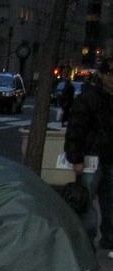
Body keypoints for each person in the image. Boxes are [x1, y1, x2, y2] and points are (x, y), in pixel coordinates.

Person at [64, 56, 113, 252]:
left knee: (109, 203)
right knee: (86, 201)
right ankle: (86, 240)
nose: (112, 78)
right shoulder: (89, 97)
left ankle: (109, 239)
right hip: (92, 156)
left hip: (108, 156)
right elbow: (76, 129)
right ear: (101, 74)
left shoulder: (91, 97)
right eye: (109, 73)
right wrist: (75, 158)